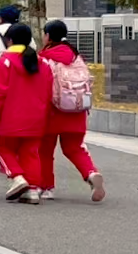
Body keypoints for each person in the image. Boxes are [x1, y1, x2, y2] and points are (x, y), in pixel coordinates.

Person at [40, 20, 105, 203]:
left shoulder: (45, 58)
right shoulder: (76, 57)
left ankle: (47, 188)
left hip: (53, 111)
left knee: (45, 151)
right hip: (77, 110)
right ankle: (91, 173)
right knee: (74, 148)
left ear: (48, 36)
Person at [0, 22, 52, 204]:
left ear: (9, 40)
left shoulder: (5, 61)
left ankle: (17, 177)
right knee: (31, 152)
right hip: (37, 116)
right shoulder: (42, 62)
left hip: (10, 115)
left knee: (2, 148)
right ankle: (32, 190)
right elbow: (49, 91)